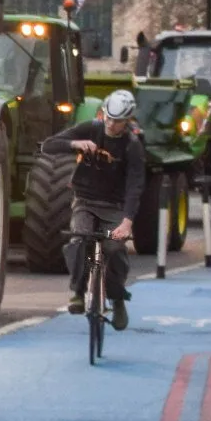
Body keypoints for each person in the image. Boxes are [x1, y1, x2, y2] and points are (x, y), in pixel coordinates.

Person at [43, 89, 146, 332]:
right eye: (108, 117)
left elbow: (135, 186)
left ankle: (117, 299)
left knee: (114, 248)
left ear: (127, 120)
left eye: (117, 121)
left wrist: (127, 222)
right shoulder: (91, 128)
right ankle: (78, 293)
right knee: (79, 240)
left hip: (114, 207)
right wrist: (74, 143)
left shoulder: (132, 146)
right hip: (85, 202)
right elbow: (49, 145)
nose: (110, 124)